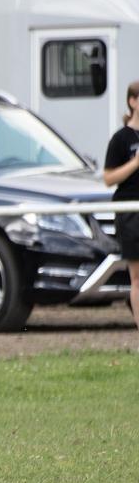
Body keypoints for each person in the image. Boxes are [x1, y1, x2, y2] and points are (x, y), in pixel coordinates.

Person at [102, 79, 139, 331]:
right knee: (137, 276)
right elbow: (108, 178)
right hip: (130, 211)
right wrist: (135, 163)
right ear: (132, 101)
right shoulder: (121, 139)